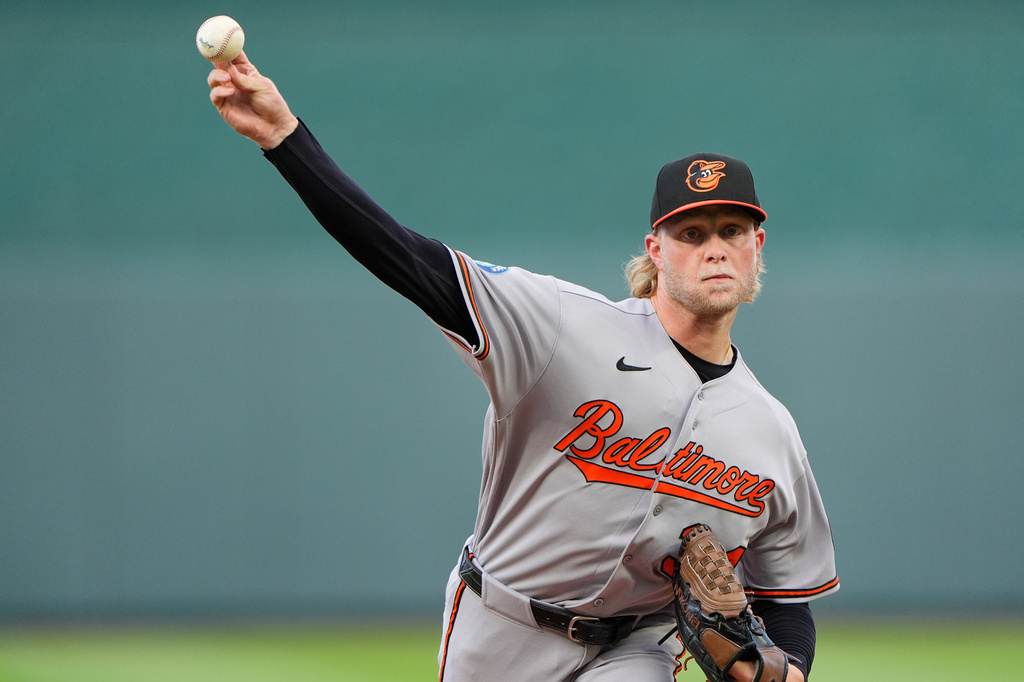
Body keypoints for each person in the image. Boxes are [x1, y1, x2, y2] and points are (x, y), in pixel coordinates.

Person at [206, 52, 838, 682]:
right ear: (656, 251)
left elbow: (786, 598)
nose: (715, 249)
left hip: (637, 649)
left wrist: (790, 672)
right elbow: (405, 257)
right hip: (502, 626)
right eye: (692, 234)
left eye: (731, 230)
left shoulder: (771, 432)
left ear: (757, 246)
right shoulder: (562, 327)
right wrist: (285, 139)